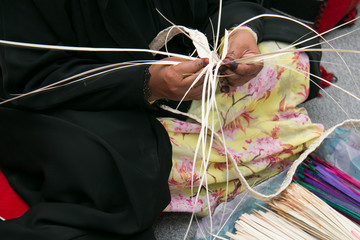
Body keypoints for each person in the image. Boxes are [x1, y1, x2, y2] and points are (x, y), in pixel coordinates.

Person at [0, 0, 323, 239]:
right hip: (86, 95)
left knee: (283, 61)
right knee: (115, 161)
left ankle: (211, 153)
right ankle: (222, 152)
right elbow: (36, 77)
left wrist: (241, 34)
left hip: (185, 67)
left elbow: (221, 4)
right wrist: (148, 83)